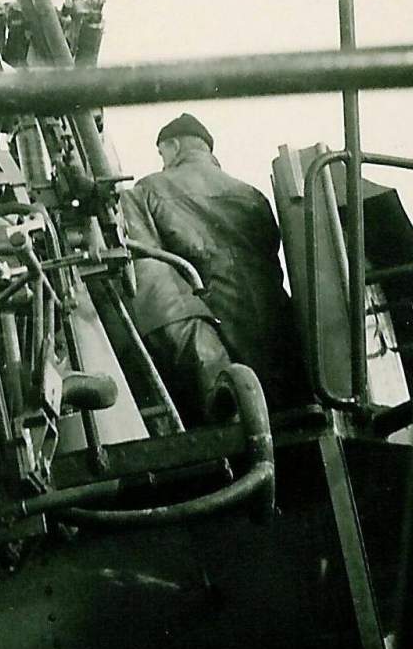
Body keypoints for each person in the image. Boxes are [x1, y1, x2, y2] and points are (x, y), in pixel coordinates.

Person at [121, 113, 307, 423]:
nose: (162, 160)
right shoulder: (253, 196)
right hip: (282, 356)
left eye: (161, 152)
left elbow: (155, 287)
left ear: (173, 145)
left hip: (217, 367)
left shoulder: (146, 191)